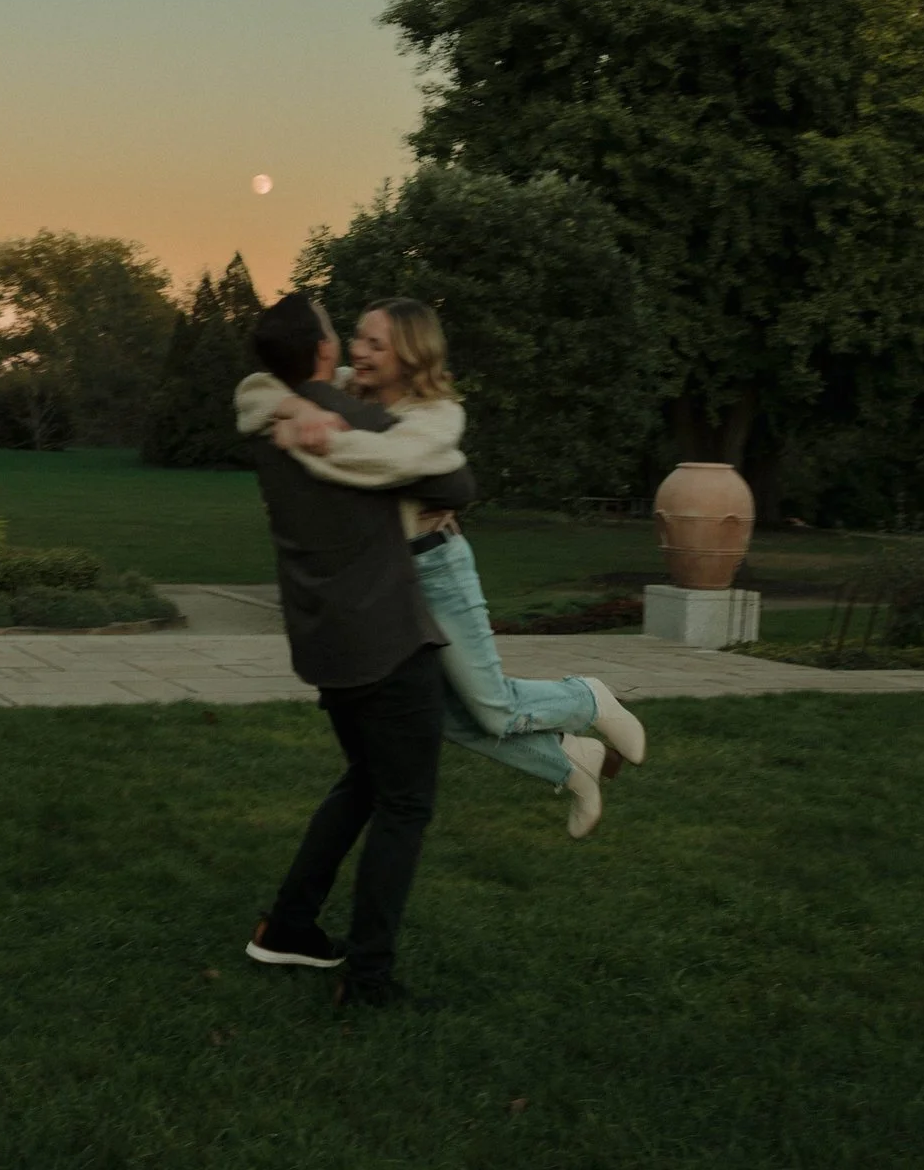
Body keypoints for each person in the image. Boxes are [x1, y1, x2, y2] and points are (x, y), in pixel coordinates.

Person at [235, 297, 648, 838]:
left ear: (409, 355)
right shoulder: (345, 391)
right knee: (443, 719)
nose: (357, 352)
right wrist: (303, 408)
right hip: (385, 581)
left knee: (492, 708)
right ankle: (574, 766)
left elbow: (391, 463)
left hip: (436, 568)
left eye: (374, 344)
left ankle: (586, 697)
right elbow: (254, 389)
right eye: (356, 338)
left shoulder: (437, 415)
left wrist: (315, 428)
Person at [239, 293, 473, 1010]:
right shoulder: (364, 421)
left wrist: (296, 410)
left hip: (323, 643)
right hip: (388, 642)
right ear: (320, 352)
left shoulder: (262, 421)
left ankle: (289, 924)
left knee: (366, 782)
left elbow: (253, 392)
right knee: (405, 804)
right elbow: (458, 482)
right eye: (338, 333)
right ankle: (369, 977)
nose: (346, 343)